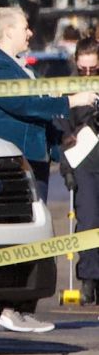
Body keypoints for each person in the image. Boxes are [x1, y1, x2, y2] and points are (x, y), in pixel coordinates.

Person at [0, 6, 97, 334]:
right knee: (20, 235)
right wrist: (71, 101)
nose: (30, 33)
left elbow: (37, 115)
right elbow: (26, 106)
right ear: (8, 32)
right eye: (26, 28)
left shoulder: (20, 69)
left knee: (36, 236)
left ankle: (20, 306)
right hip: (14, 165)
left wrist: (62, 141)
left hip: (35, 162)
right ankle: (8, 306)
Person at [60, 38, 99, 303]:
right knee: (89, 221)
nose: (87, 74)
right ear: (76, 63)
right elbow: (62, 133)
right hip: (83, 164)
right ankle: (88, 280)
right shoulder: (69, 90)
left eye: (93, 69)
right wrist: (66, 170)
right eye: (83, 70)